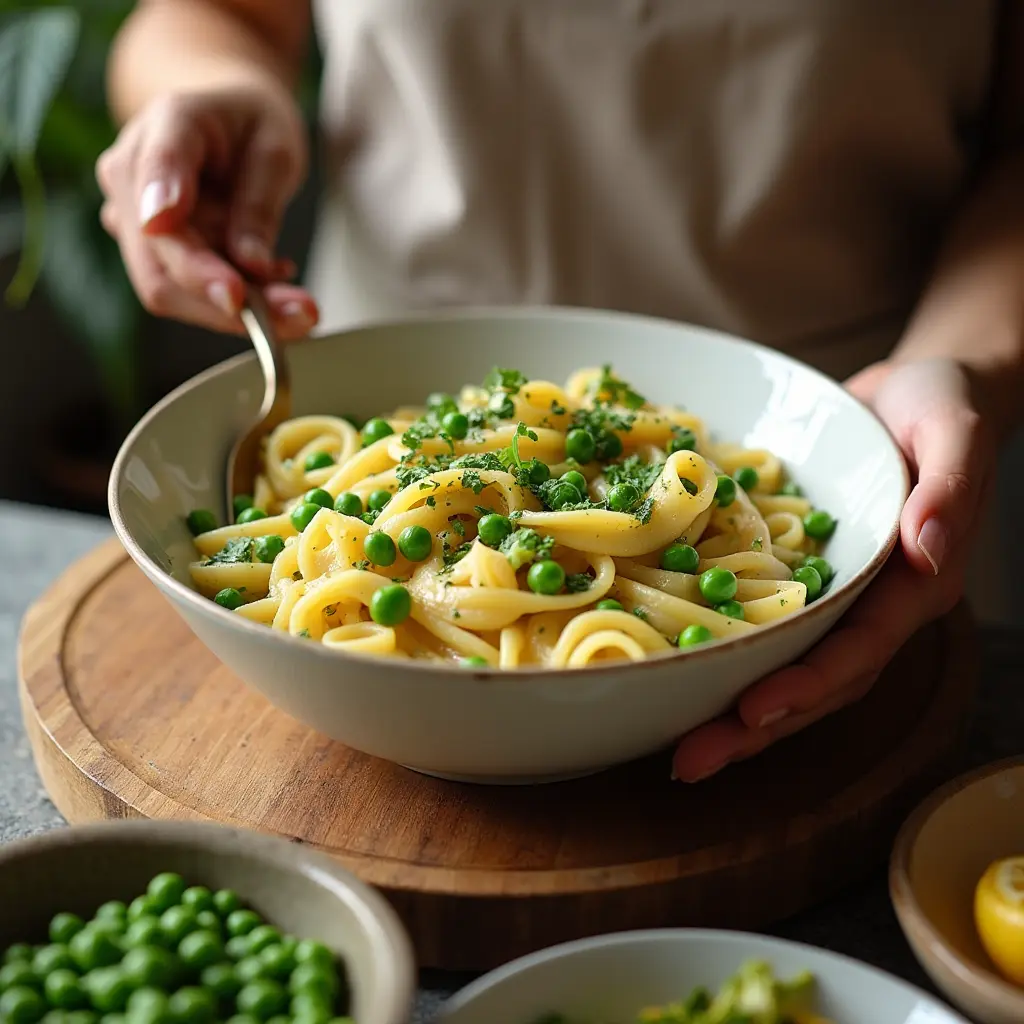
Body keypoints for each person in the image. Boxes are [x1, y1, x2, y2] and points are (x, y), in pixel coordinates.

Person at [98, 0, 1024, 783]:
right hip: (372, 368)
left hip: (847, 408)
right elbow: (210, 14)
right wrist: (211, 88)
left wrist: (964, 360)